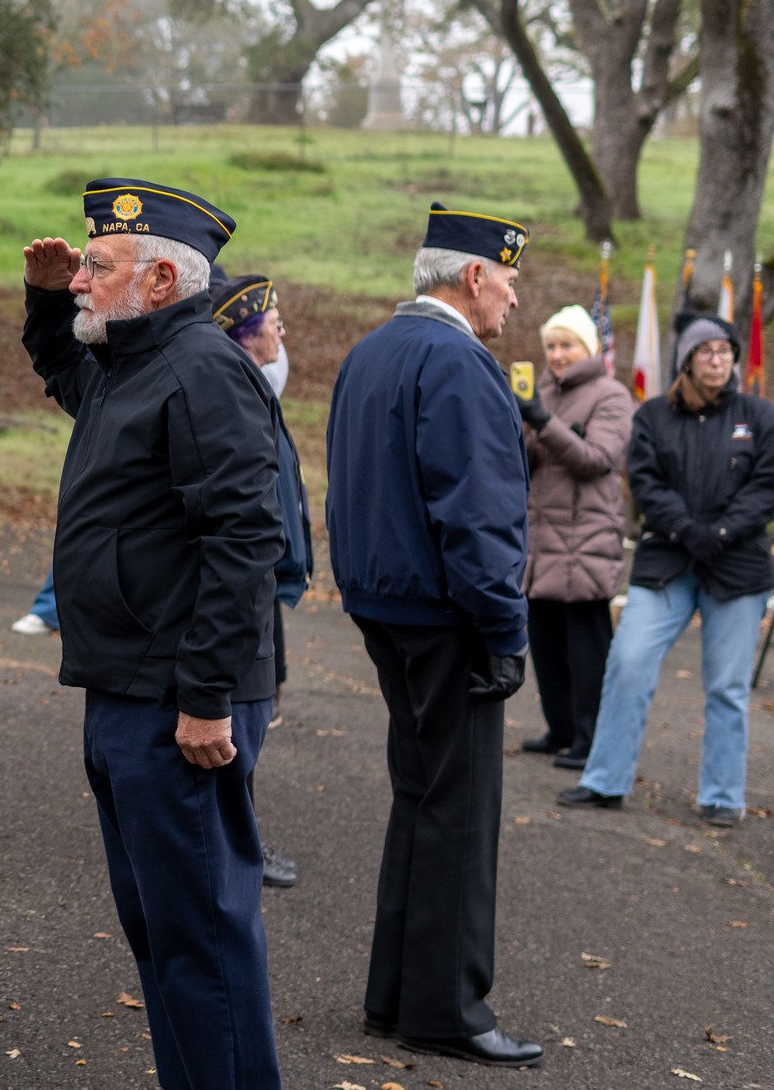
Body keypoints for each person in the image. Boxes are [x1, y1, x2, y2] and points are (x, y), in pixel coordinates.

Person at [24, 179, 284, 1090]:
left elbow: (245, 538)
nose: (81, 279)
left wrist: (205, 696)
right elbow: (66, 371)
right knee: (163, 935)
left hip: (179, 704)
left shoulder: (201, 369)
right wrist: (45, 300)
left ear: (162, 280)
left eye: (98, 266)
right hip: (124, 688)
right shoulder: (129, 360)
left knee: (202, 939)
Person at [326, 203, 542, 1067]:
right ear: (474, 275)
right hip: (448, 614)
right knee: (459, 810)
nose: (514, 300)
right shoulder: (459, 361)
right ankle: (446, 1007)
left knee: (420, 796)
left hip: (386, 603)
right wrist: (504, 628)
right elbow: (477, 512)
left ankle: (395, 995)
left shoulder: (372, 350)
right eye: (510, 281)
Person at [560, 313, 774, 828]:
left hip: (737, 566)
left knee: (727, 686)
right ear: (686, 361)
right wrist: (685, 529)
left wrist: (720, 532)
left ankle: (722, 795)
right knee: (628, 661)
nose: (718, 360)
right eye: (706, 352)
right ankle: (605, 779)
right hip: (667, 562)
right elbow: (645, 483)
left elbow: (766, 486)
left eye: (725, 351)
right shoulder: (654, 415)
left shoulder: (759, 415)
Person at [210, 274, 309, 890]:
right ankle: (235, 854)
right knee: (238, 726)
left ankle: (239, 846)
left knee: (255, 711)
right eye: (274, 322)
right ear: (246, 331)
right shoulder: (237, 393)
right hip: (247, 585)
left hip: (263, 581)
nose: (282, 331)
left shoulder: (254, 384)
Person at [512, 305, 633, 771]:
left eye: (567, 345)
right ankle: (560, 729)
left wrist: (542, 422)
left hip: (586, 540)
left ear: (589, 348)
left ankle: (591, 738)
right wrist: (519, 425)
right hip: (541, 541)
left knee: (587, 651)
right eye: (551, 346)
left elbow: (596, 458)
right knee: (545, 644)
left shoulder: (611, 395)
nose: (558, 355)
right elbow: (524, 466)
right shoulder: (541, 393)